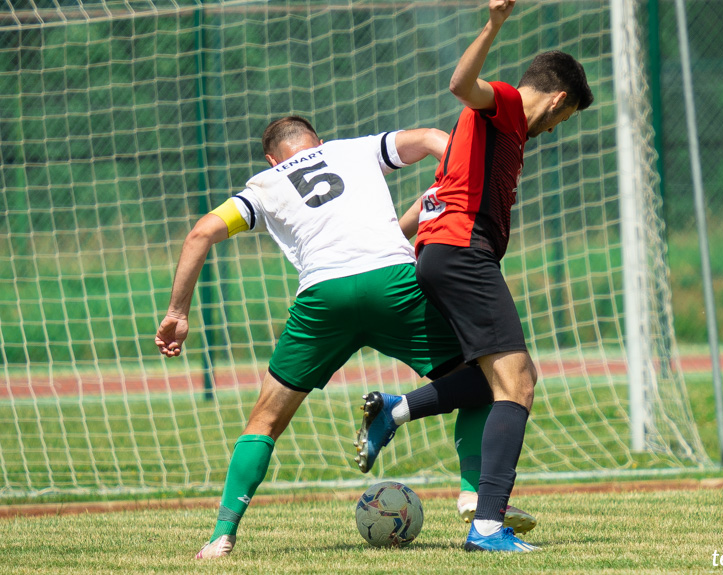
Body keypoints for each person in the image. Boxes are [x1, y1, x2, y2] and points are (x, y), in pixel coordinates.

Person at [154, 116, 535, 560]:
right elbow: (436, 139)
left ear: (273, 158)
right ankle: (472, 494)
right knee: (483, 382)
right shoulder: (354, 149)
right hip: (394, 285)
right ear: (319, 141)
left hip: (323, 300)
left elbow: (201, 232)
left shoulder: (263, 184)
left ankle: (222, 536)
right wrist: (455, 183)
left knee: (264, 421)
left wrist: (178, 312)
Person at [355, 0, 594, 553]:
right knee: (520, 382)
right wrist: (494, 24)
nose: (556, 128)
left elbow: (432, 195)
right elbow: (462, 84)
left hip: (443, 255)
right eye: (564, 116)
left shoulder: (483, 140)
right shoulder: (505, 104)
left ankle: (397, 409)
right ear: (558, 99)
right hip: (463, 254)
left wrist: (394, 237)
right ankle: (487, 526)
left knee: (493, 377)